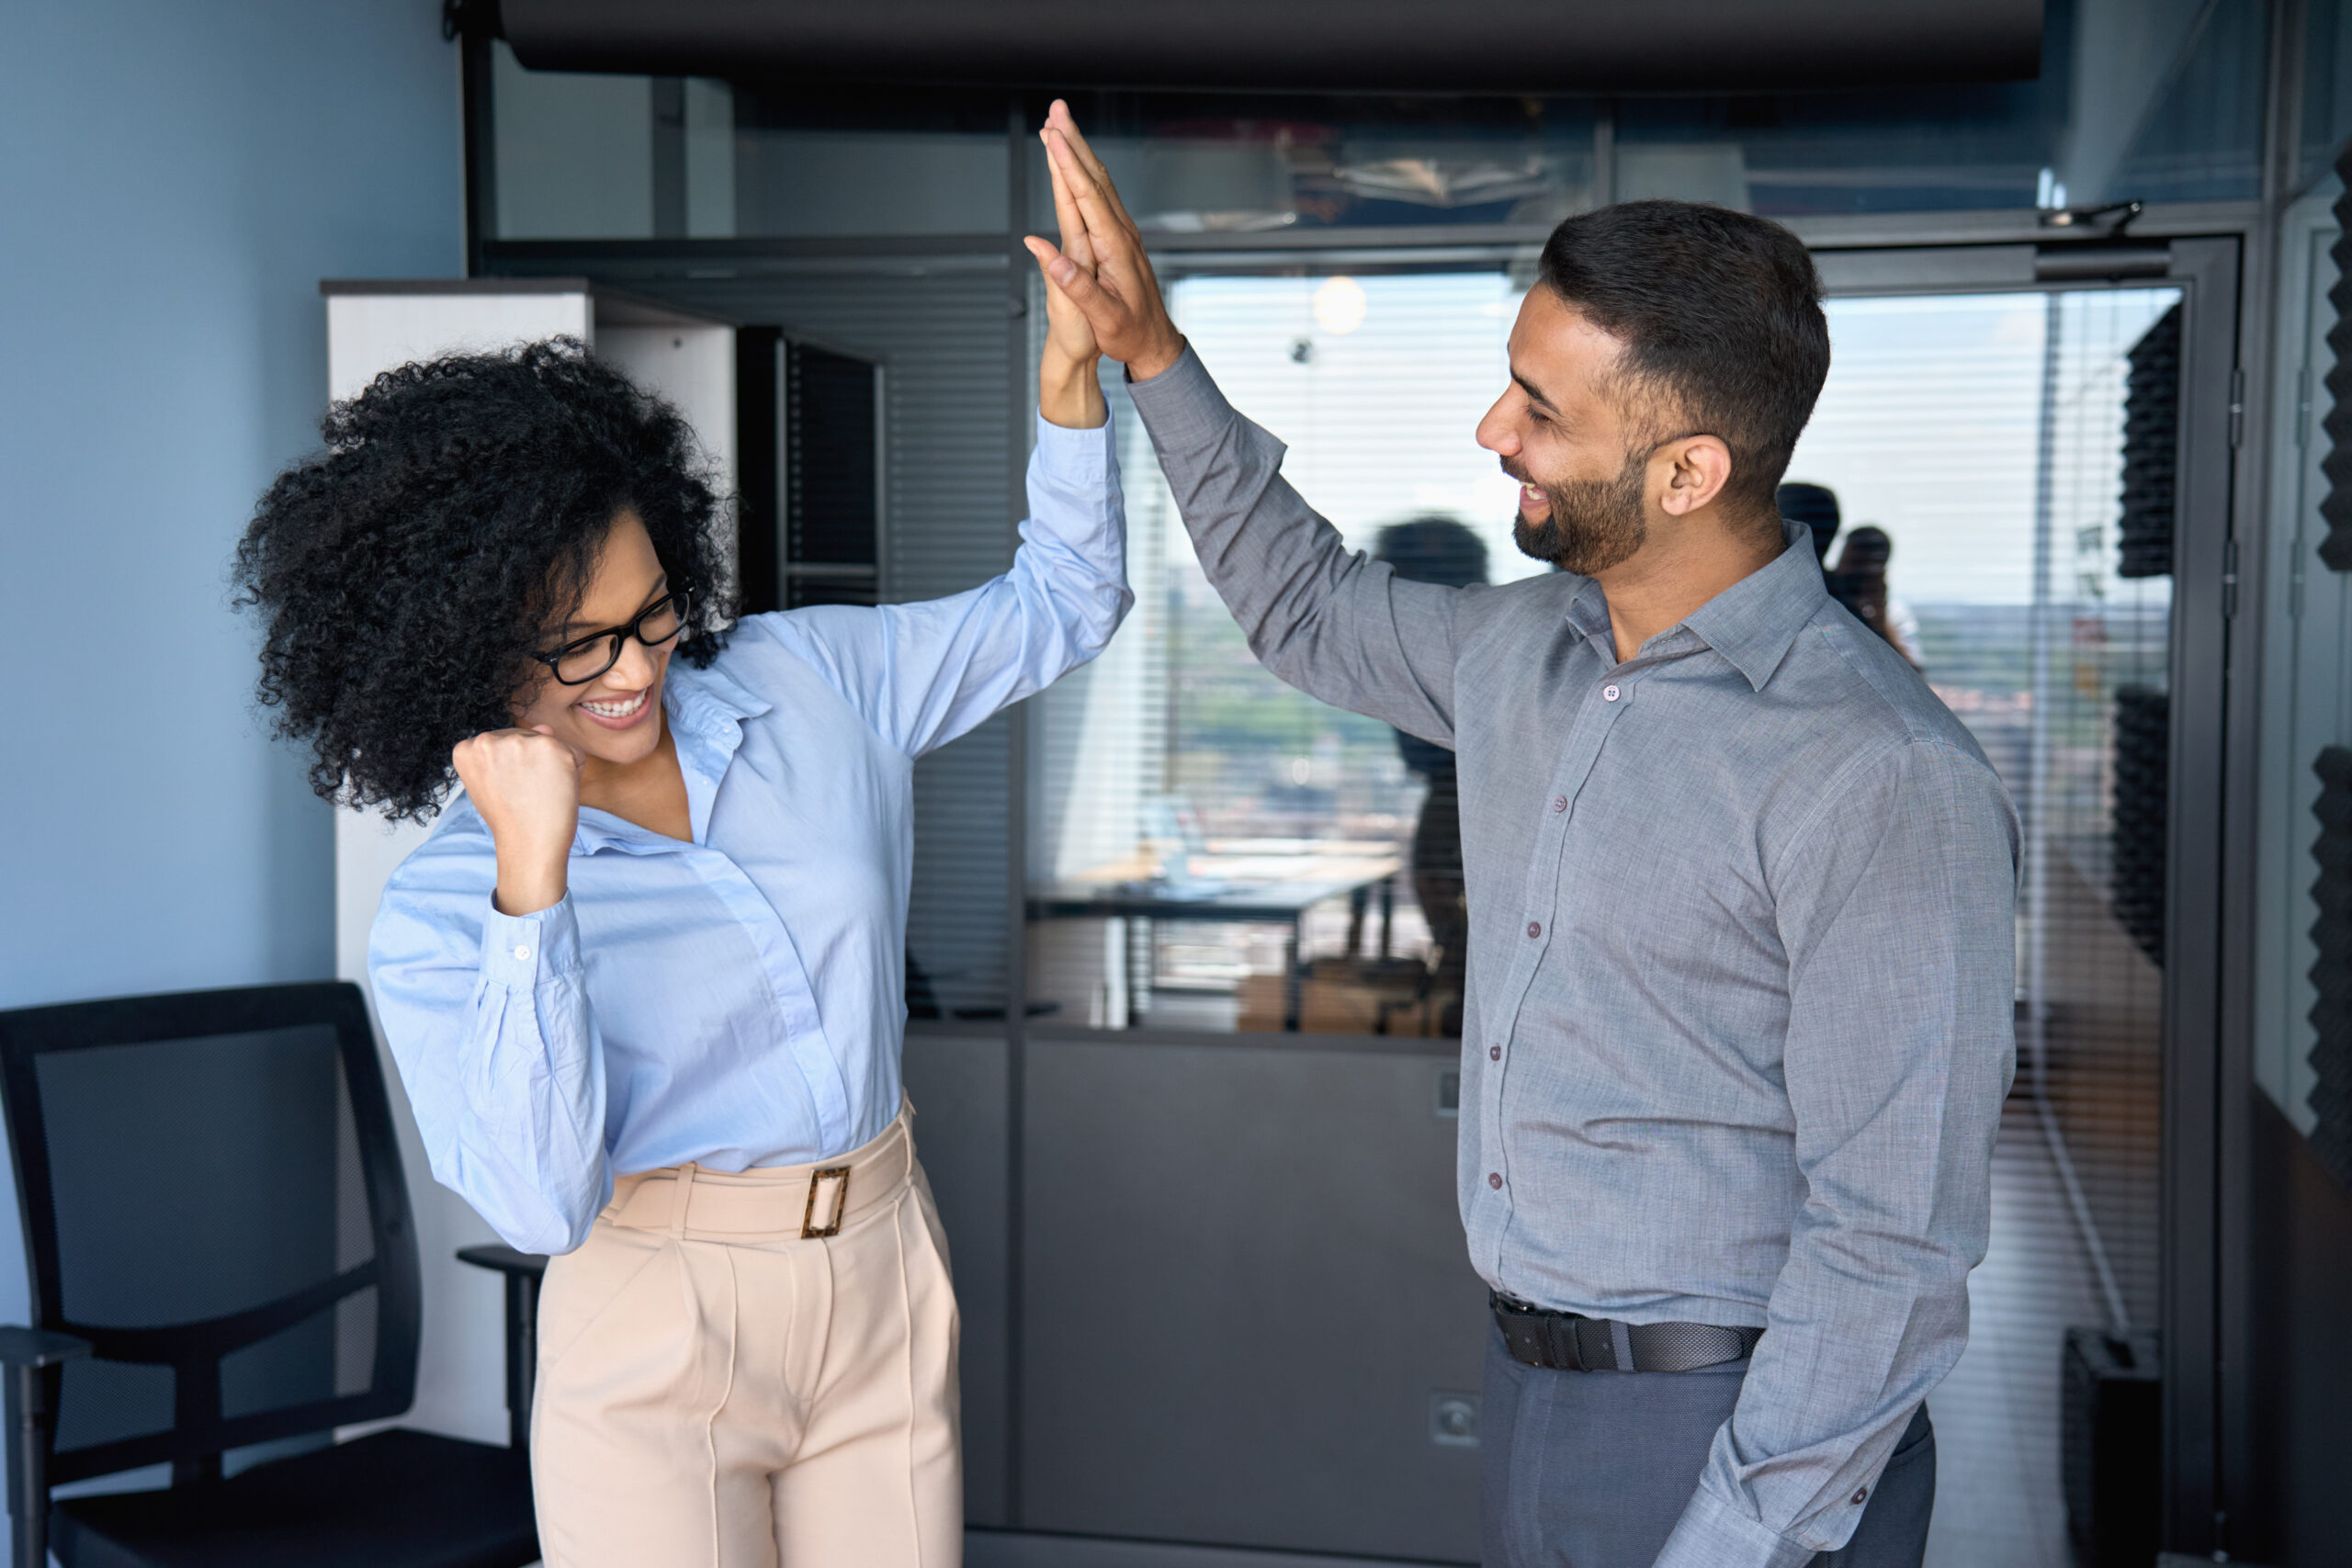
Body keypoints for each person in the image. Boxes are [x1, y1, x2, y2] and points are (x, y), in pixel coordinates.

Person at [1023, 101, 2018, 1568]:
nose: (1493, 432)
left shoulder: (1879, 773)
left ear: (1688, 471)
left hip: (1745, 1442)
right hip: (1539, 1392)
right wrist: (1154, 355)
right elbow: (1301, 602)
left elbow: (1895, 1241)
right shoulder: (1519, 651)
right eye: (1510, 384)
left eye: (1541, 409)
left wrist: (1740, 1533)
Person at [233, 183, 1126, 1566]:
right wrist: (533, 881)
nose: (638, 666)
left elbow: (1061, 602)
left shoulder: (804, 678)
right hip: (656, 1316)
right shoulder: (435, 912)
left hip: (883, 1256)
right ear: (462, 651)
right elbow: (538, 1205)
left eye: (650, 611)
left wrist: (1072, 372)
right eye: (578, 644)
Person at [1373, 516, 1491, 1030]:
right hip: (1458, 779)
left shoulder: (1452, 655)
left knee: (1442, 886)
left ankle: (1463, 992)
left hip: (1467, 779)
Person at [1826, 525, 1925, 669]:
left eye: (1859, 568)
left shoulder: (1895, 614)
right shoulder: (1823, 601)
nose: (1848, 573)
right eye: (1848, 562)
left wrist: (1880, 618)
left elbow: (1915, 675)